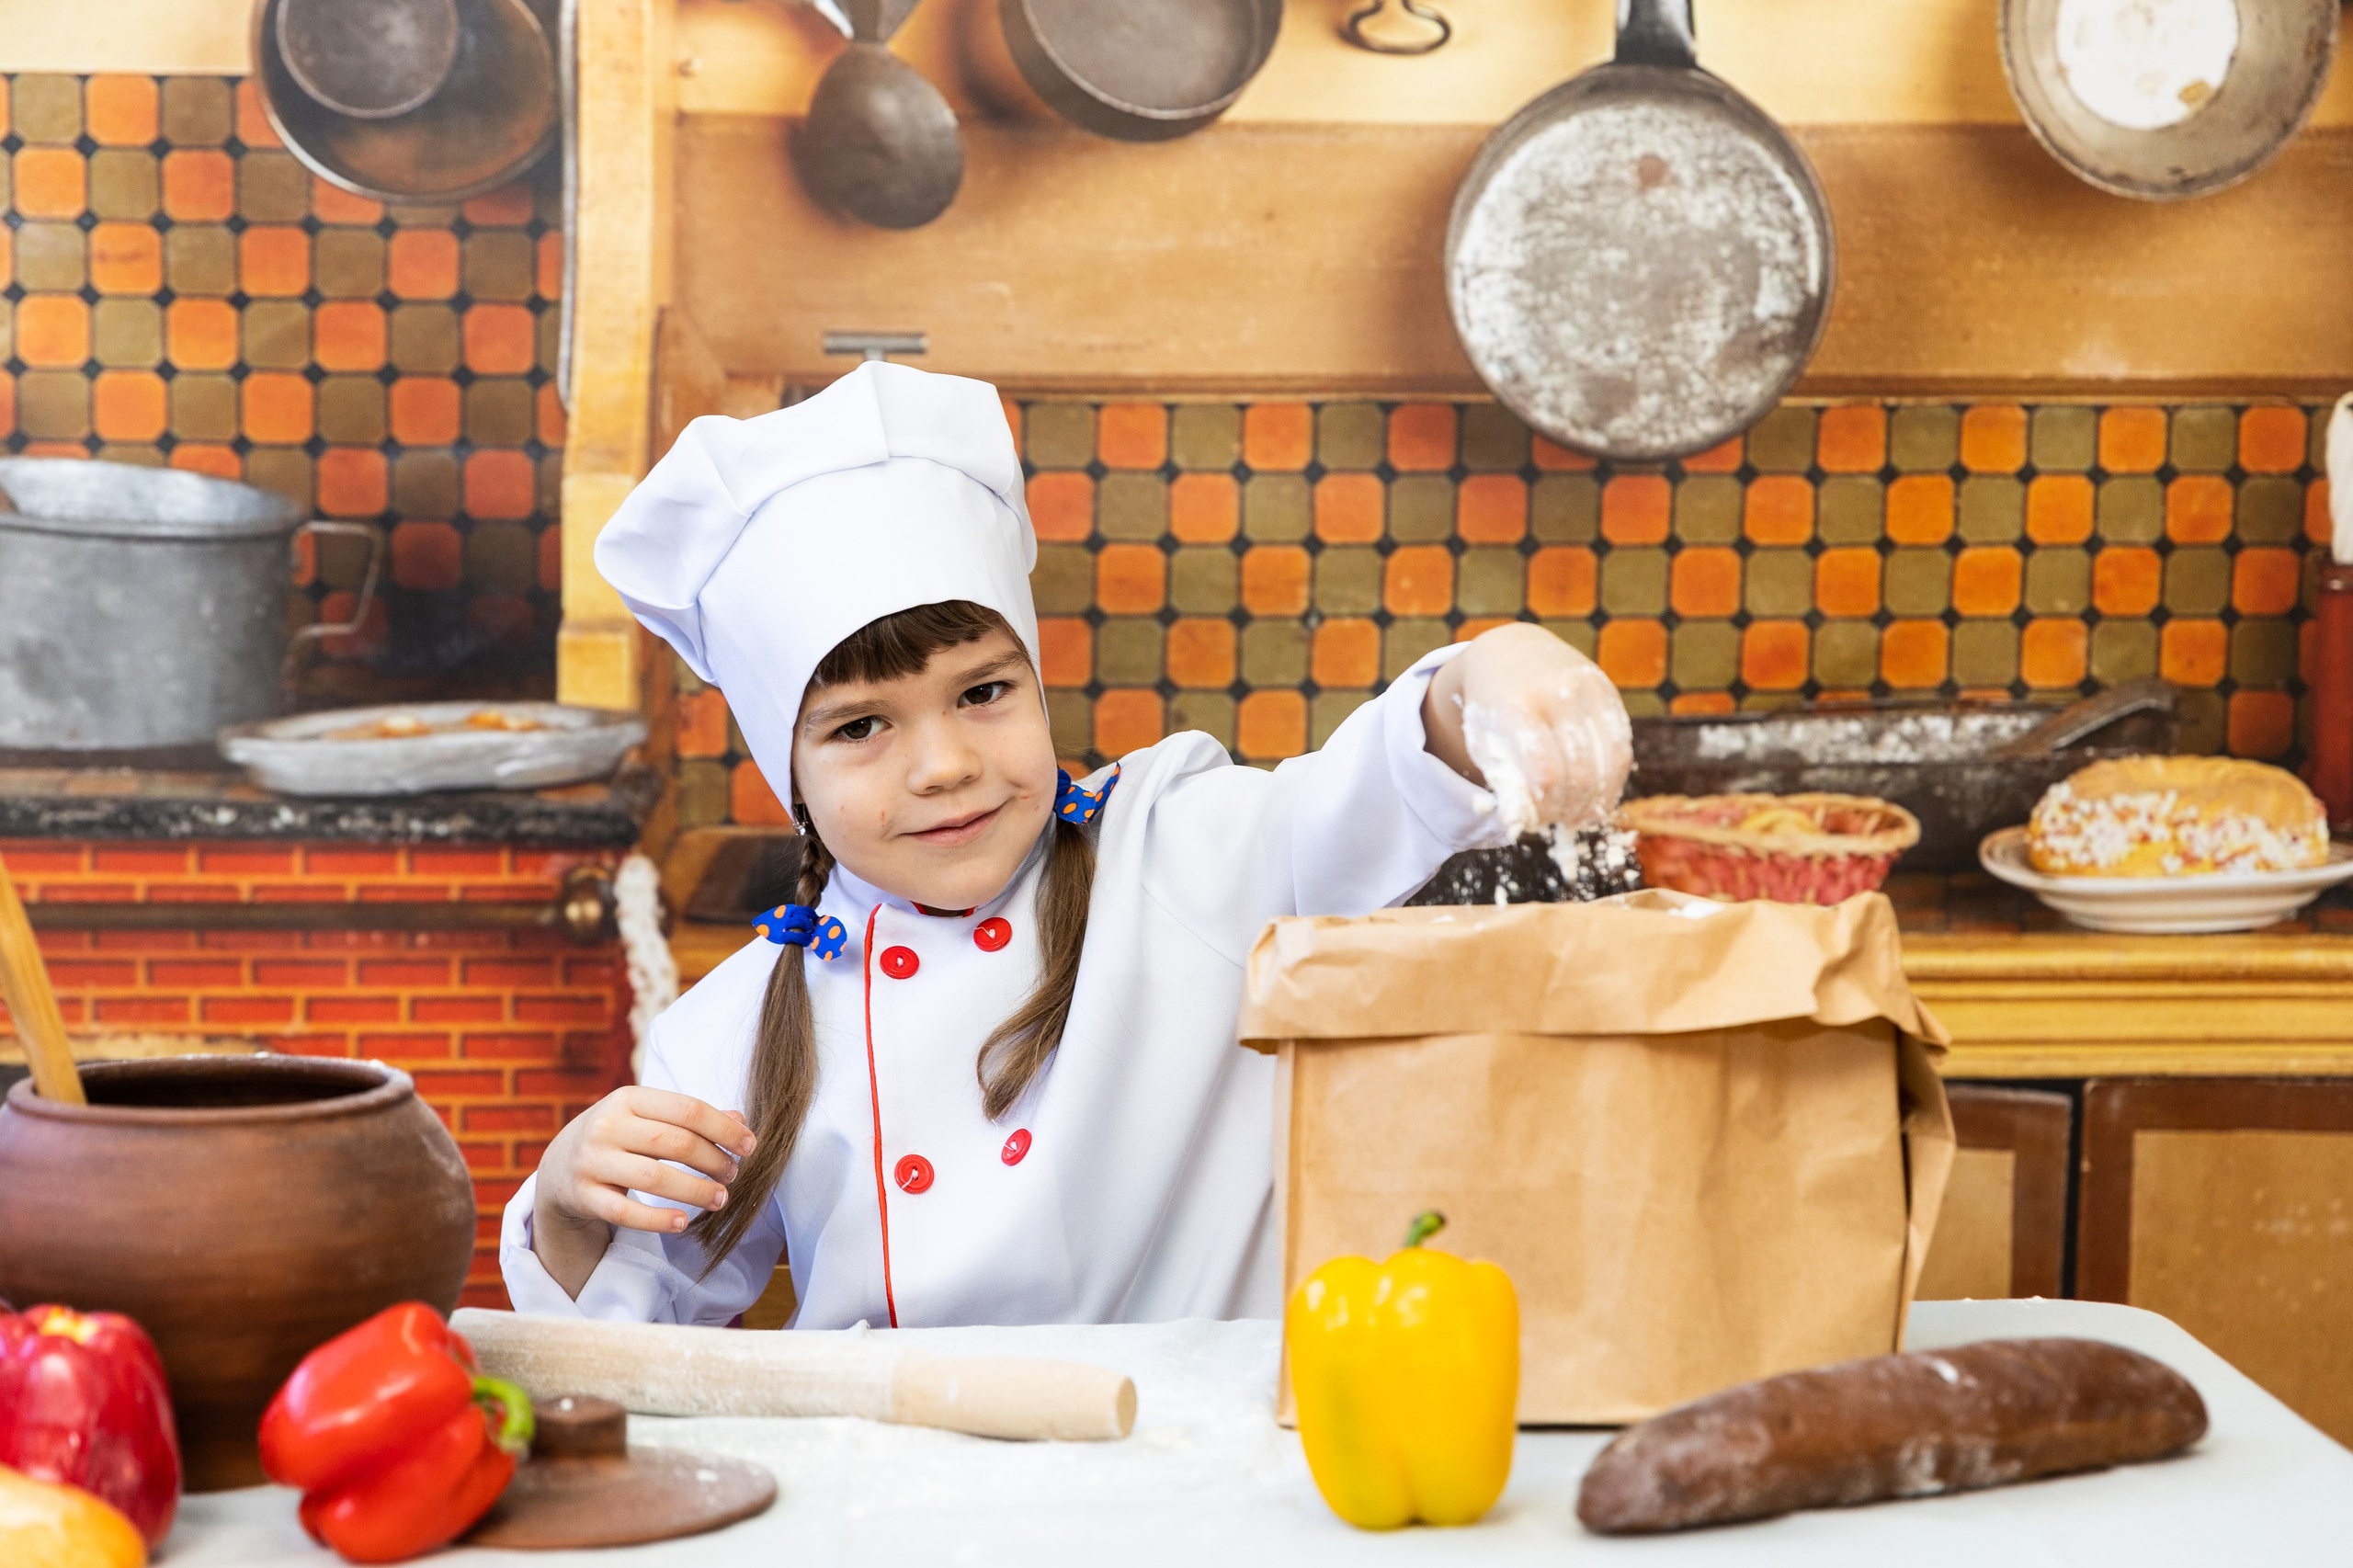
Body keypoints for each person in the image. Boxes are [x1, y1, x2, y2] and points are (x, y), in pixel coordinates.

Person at [500, 362, 1631, 1328]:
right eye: (859, 726)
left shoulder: (1184, 852)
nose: (942, 763)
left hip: (1210, 1487)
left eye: (984, 691)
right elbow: (630, 1324)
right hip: (910, 1512)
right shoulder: (737, 1025)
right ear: (784, 768)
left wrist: (1492, 671)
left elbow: (1378, 779)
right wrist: (565, 1195)